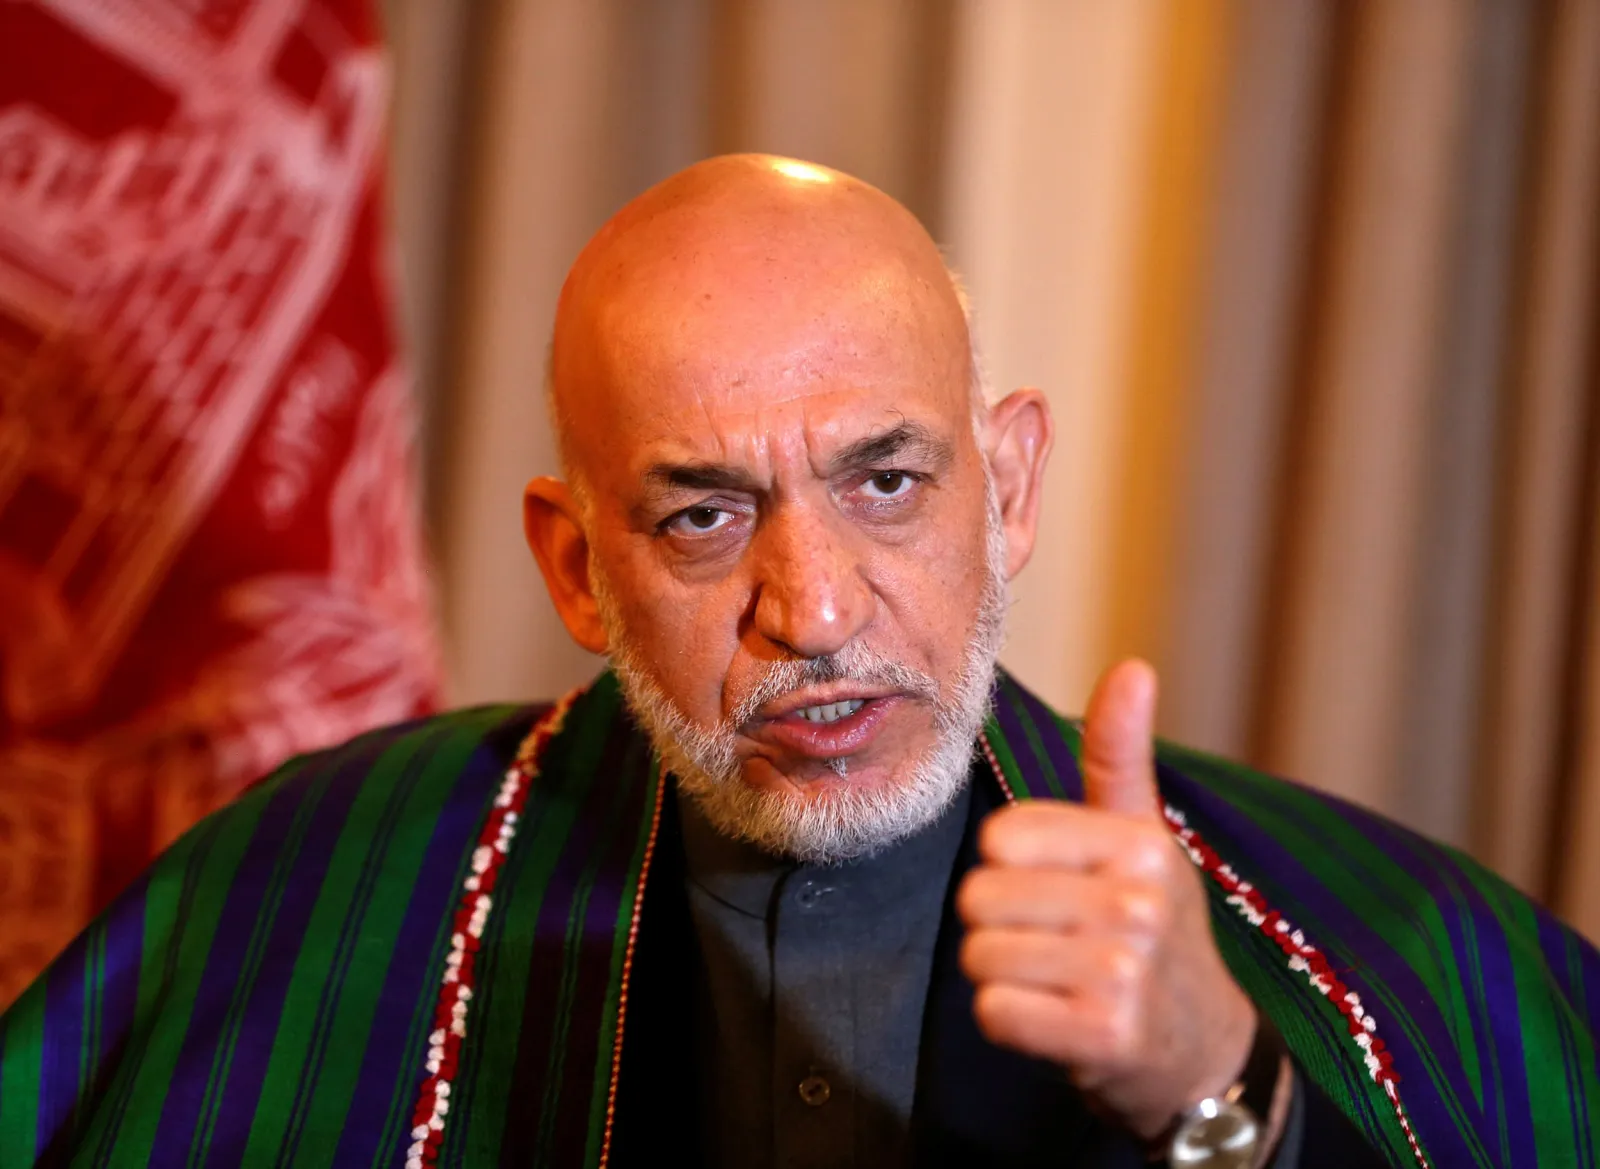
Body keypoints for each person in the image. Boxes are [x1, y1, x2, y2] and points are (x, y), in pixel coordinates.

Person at [0, 155, 1593, 1169]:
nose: (815, 611)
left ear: (1010, 490)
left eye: (885, 482)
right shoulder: (296, 896)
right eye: (703, 517)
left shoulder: (1399, 943)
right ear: (577, 566)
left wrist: (1221, 1095)